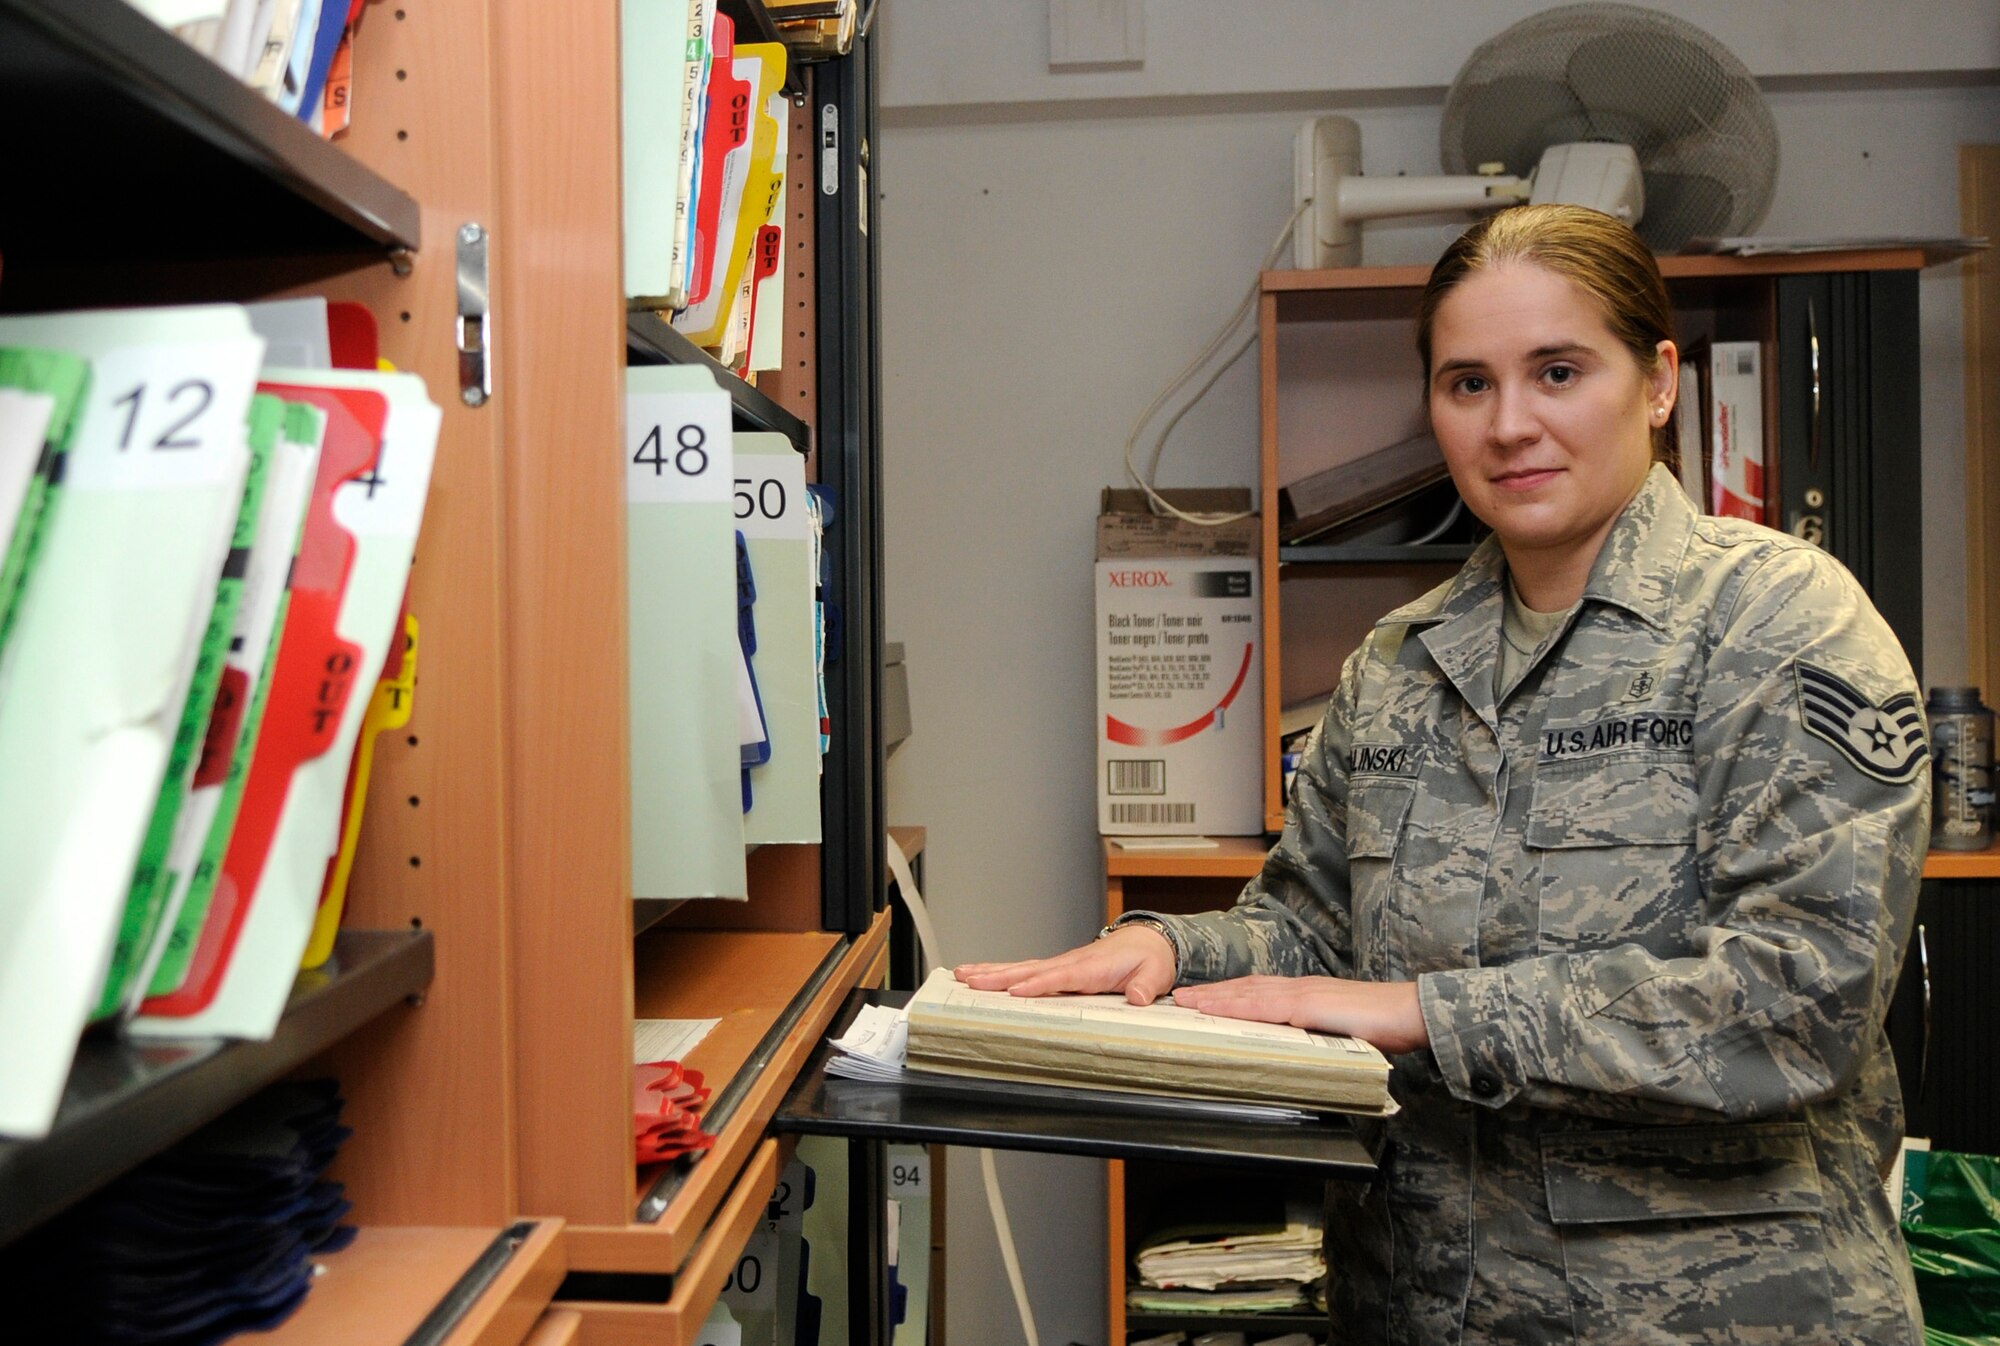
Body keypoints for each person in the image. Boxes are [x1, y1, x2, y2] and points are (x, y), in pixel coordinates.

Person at [958, 203, 1932, 1345]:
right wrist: (1173, 948)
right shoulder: (1397, 661)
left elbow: (1799, 995)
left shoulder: (1777, 620)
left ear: (1658, 382)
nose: (1509, 423)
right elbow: (1312, 933)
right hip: (1419, 1306)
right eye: (1467, 383)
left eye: (1557, 371)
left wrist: (1426, 1012)